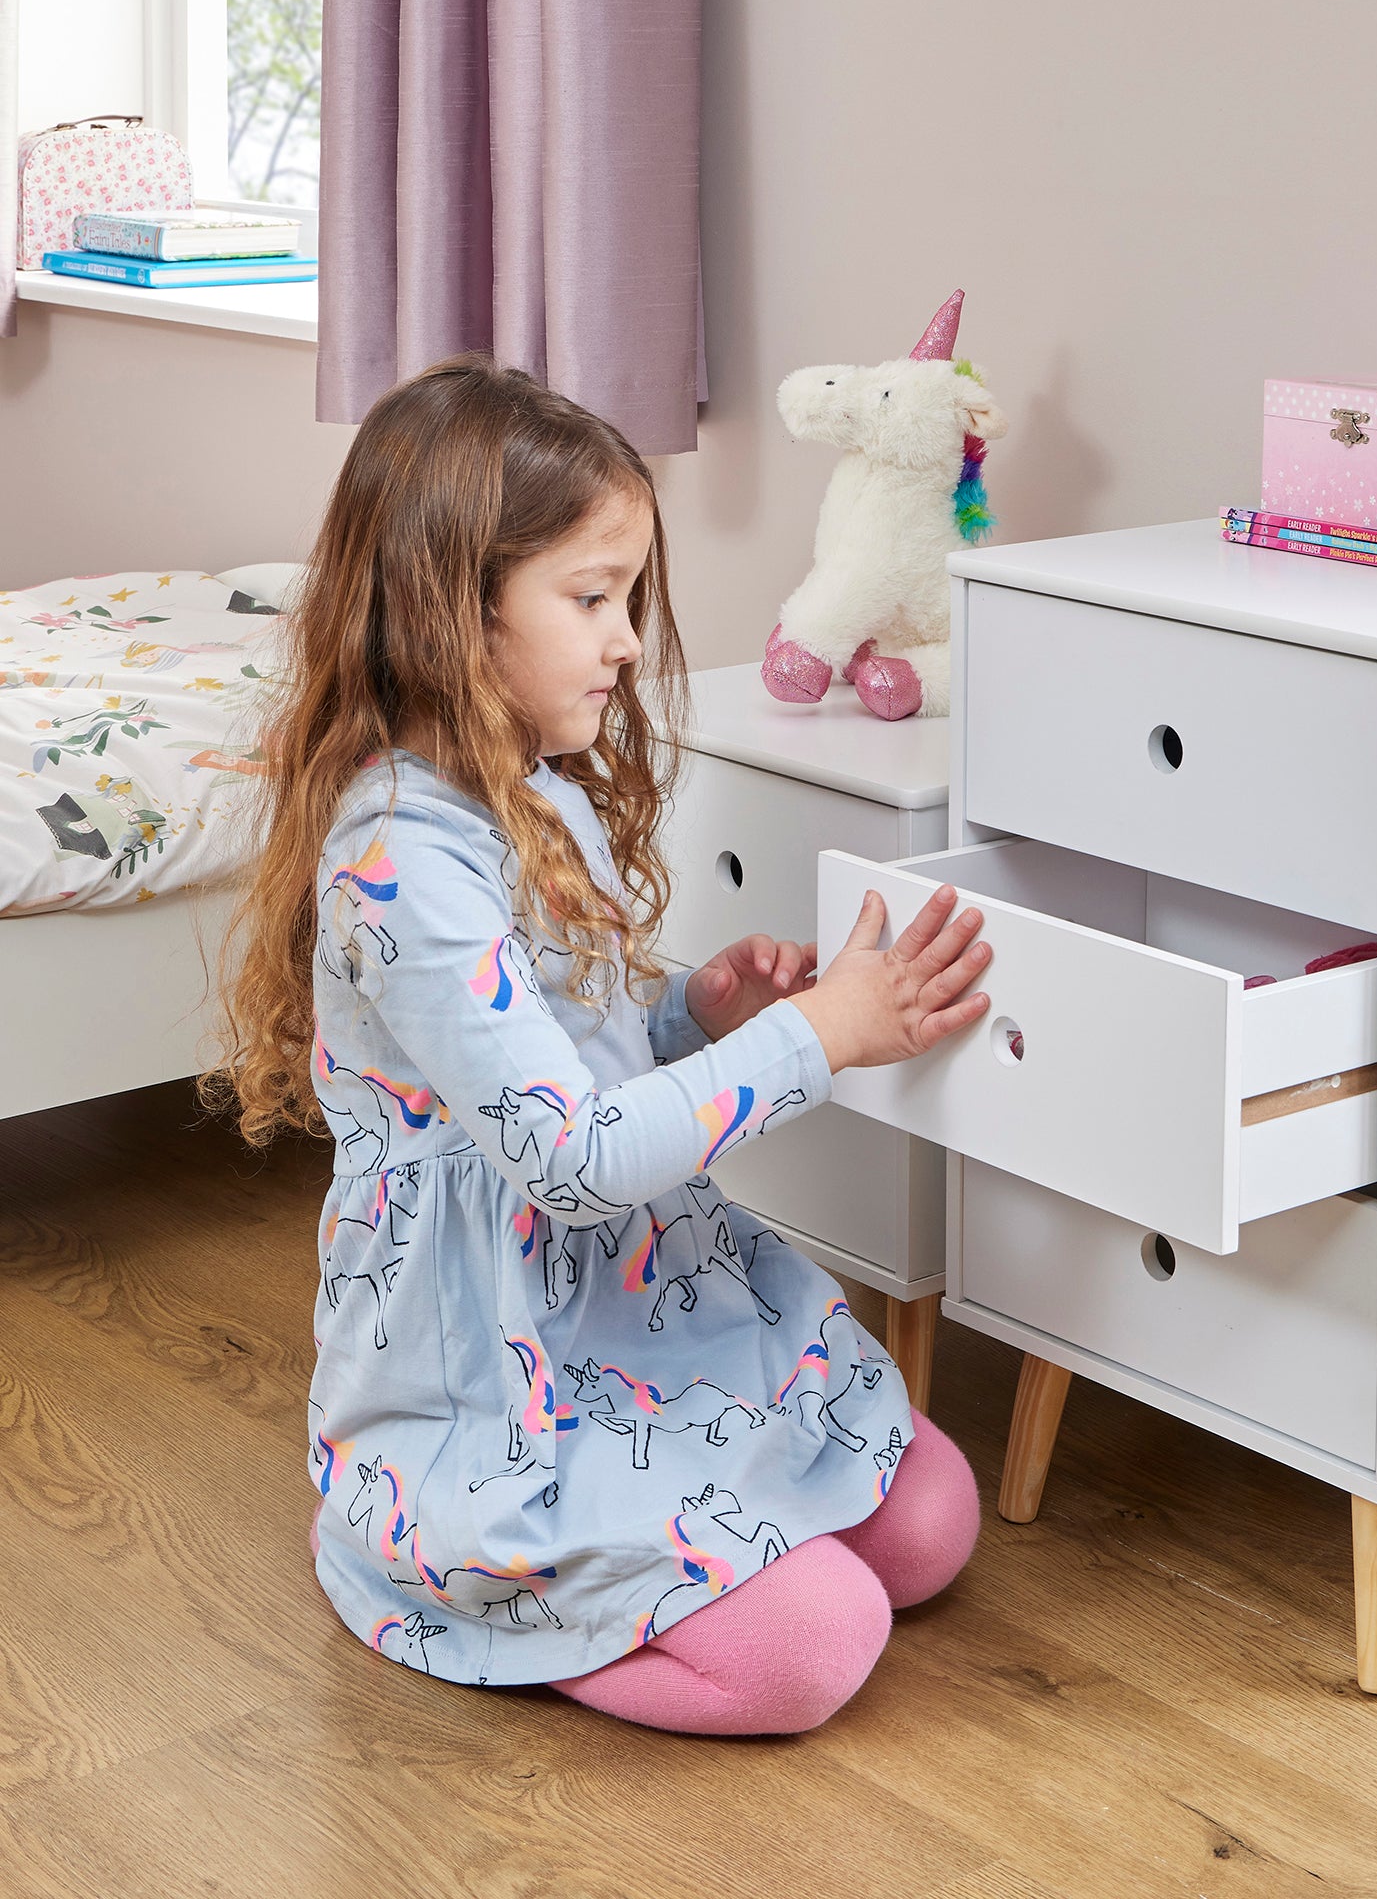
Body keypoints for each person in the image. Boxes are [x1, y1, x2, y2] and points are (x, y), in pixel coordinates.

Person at [210, 355, 992, 1735]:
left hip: (638, 1301)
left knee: (931, 1526)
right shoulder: (396, 860)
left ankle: (674, 1562)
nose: (628, 639)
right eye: (590, 599)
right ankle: (466, 1595)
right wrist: (816, 1037)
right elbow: (568, 1155)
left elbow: (573, 1046)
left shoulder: (533, 787)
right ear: (454, 610)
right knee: (817, 1647)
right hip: (497, 1356)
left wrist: (697, 1019)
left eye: (625, 597)